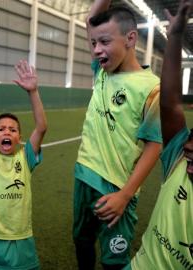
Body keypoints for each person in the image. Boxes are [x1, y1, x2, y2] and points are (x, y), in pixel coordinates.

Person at [73, 1, 163, 269]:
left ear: (130, 39)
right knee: (82, 241)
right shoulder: (101, 70)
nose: (97, 49)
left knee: (114, 259)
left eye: (104, 41)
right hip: (83, 174)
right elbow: (92, 20)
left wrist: (125, 194)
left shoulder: (152, 88)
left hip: (116, 187)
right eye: (93, 43)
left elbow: (154, 145)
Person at [128, 0, 193, 269]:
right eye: (189, 148)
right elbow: (169, 104)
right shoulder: (177, 161)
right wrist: (175, 36)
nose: (188, 153)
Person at [0, 53, 47, 269]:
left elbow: (41, 127)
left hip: (19, 235)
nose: (7, 132)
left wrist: (33, 91)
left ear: (19, 138)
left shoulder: (26, 157)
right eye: (1, 129)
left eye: (13, 130)